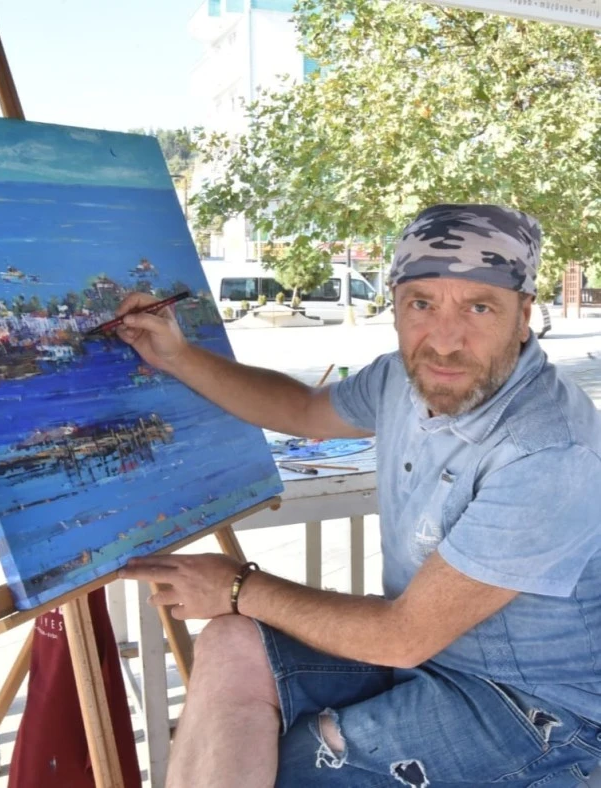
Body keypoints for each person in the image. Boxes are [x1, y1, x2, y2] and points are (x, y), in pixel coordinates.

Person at [117, 204, 601, 788]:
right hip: (432, 657)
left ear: (522, 317)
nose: (445, 341)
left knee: (286, 762)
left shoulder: (548, 450)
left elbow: (402, 635)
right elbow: (301, 409)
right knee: (230, 645)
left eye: (479, 307)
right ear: (394, 304)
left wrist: (237, 586)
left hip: (541, 710)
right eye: (422, 304)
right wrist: (177, 355)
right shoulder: (400, 377)